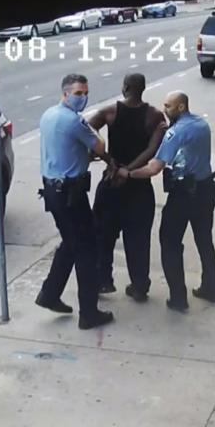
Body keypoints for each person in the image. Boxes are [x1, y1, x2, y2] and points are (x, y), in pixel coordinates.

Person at [113, 91, 215, 313]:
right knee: (204, 240)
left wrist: (127, 173)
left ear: (181, 107)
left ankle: (178, 297)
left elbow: (154, 167)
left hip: (183, 195)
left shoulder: (177, 132)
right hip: (206, 191)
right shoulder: (201, 125)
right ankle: (211, 287)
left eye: (168, 106)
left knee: (169, 242)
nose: (165, 110)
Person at [35, 74, 117, 330]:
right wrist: (89, 130)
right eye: (78, 93)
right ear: (65, 94)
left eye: (85, 92)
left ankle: (50, 294)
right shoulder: (73, 121)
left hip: (54, 192)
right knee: (86, 250)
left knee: (71, 243)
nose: (82, 97)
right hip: (71, 196)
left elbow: (67, 147)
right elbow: (100, 146)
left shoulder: (49, 114)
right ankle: (89, 313)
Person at [87, 73, 168, 302]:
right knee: (138, 240)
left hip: (111, 182)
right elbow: (152, 149)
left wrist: (109, 161)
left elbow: (88, 131)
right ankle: (140, 286)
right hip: (139, 186)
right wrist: (129, 171)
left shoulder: (110, 112)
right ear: (143, 89)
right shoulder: (154, 116)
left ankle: (103, 281)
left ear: (124, 88)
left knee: (103, 235)